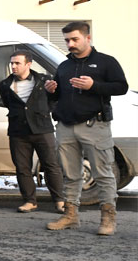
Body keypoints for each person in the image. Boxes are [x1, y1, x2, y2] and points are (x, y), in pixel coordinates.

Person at [45, 22, 128, 235]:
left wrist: (95, 86)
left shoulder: (105, 62)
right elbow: (59, 95)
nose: (70, 44)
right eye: (67, 40)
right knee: (70, 174)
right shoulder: (64, 66)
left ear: (87, 38)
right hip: (65, 126)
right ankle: (70, 215)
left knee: (103, 173)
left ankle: (108, 219)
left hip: (94, 126)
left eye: (74, 39)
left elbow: (121, 87)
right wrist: (51, 91)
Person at [0, 50, 65, 214]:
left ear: (28, 64)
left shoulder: (44, 80)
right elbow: (8, 103)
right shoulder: (5, 84)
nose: (13, 66)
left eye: (17, 63)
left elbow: (54, 100)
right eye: (12, 63)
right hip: (18, 130)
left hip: (42, 129)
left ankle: (59, 201)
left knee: (51, 165)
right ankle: (29, 201)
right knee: (22, 168)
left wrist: (42, 112)